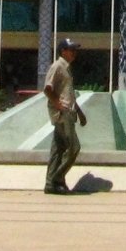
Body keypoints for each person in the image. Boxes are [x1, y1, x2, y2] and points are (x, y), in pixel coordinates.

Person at [43, 37, 86, 195]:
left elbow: (68, 95)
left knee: (58, 149)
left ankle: (50, 184)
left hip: (67, 111)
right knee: (74, 147)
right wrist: (59, 106)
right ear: (63, 51)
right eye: (71, 49)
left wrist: (80, 113)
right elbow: (47, 89)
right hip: (63, 114)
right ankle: (56, 180)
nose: (74, 53)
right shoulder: (58, 66)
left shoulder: (66, 67)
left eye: (75, 49)